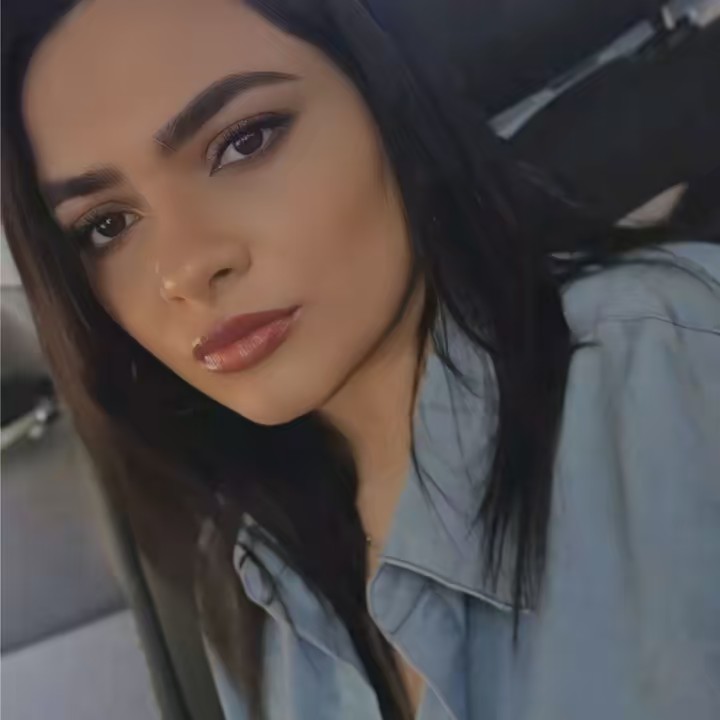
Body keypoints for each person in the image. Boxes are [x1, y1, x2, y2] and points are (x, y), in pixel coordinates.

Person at [2, 1, 719, 718]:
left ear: (382, 92)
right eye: (107, 225)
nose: (183, 268)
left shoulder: (678, 363)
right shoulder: (251, 579)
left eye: (245, 141)